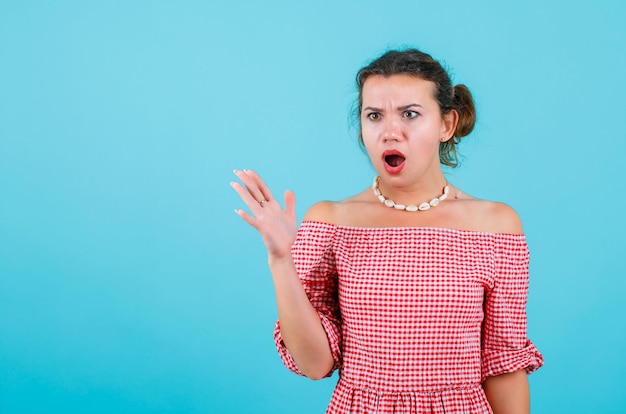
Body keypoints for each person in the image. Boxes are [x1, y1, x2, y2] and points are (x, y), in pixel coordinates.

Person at [231, 48, 543, 414]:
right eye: (374, 116)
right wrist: (281, 259)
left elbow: (503, 366)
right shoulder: (331, 222)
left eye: (410, 114)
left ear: (446, 124)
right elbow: (314, 365)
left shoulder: (497, 227)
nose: (390, 132)